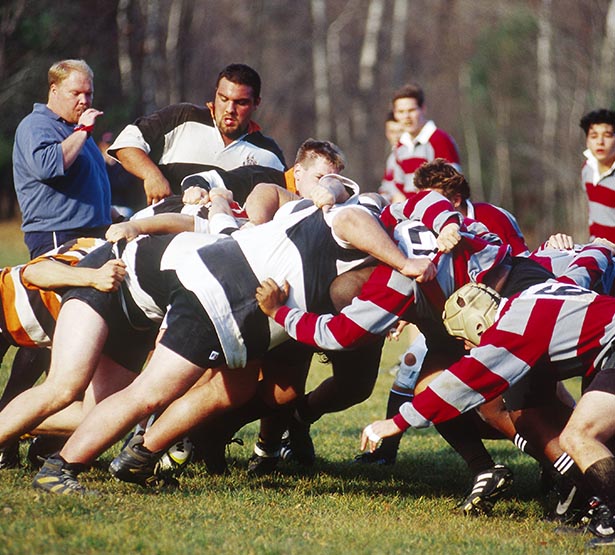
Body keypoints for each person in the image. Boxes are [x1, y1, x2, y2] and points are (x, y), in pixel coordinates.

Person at [28, 180, 433, 494]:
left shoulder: (350, 209)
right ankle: (61, 467)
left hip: (242, 306)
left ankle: (141, 455)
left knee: (233, 389)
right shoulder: (366, 222)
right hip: (224, 294)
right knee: (150, 392)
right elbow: (348, 217)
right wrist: (405, 263)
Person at [360, 244, 615, 546]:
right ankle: (604, 516)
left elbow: (458, 384)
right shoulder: (546, 289)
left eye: (463, 339)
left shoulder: (510, 329)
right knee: (594, 436)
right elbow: (586, 267)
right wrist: (600, 246)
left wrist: (395, 423)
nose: (467, 348)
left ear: (478, 324)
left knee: (578, 437)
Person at [0, 238, 127, 468]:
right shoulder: (109, 253)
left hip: (34, 325)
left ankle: (15, 429)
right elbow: (33, 272)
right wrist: (93, 277)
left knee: (101, 410)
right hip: (6, 305)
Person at [107, 63, 286, 205]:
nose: (229, 109)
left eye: (241, 103)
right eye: (223, 99)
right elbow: (126, 145)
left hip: (226, 242)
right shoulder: (181, 118)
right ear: (215, 94)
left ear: (256, 103)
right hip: (164, 233)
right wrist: (151, 175)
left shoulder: (269, 155)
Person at [12, 59, 112, 259]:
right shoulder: (35, 125)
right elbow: (47, 167)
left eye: (89, 93)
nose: (84, 100)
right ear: (54, 90)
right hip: (59, 235)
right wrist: (83, 130)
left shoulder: (76, 130)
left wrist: (111, 213)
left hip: (95, 232)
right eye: (76, 93)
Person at [388, 84, 461, 199]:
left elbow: (452, 188)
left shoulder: (439, 140)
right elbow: (398, 189)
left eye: (411, 110)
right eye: (401, 112)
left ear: (423, 109)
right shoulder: (400, 147)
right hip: (409, 213)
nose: (406, 116)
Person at [580, 109, 615, 243]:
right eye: (594, 136)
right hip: (597, 251)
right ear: (587, 141)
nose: (600, 142)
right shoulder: (587, 169)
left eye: (607, 135)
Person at [97, 131, 145, 218]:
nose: (109, 147)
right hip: (102, 207)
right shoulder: (97, 165)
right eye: (107, 144)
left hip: (122, 207)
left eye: (112, 144)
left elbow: (128, 186)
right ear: (101, 146)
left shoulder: (123, 166)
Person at [379, 111, 407, 203]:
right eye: (392, 132)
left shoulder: (408, 155)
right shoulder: (392, 157)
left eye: (400, 131)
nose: (396, 136)